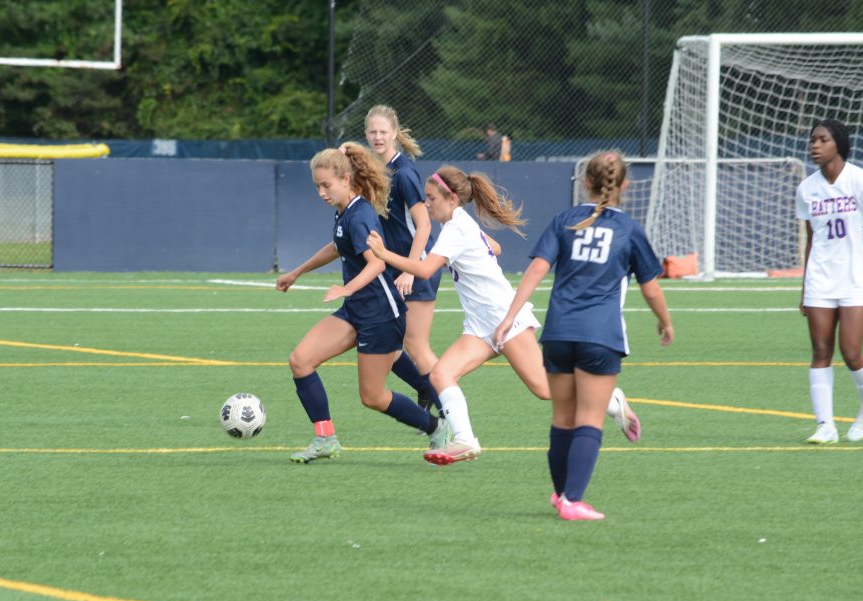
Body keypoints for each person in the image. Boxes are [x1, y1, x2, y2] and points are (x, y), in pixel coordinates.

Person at [367, 165, 643, 467]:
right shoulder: (460, 226)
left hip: (502, 317)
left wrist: (384, 254)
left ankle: (610, 398)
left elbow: (423, 269)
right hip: (479, 324)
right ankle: (466, 440)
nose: (427, 204)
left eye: (432, 198)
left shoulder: (458, 228)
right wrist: (481, 246)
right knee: (440, 374)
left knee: (543, 388)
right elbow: (495, 247)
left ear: (452, 199)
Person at [496, 151, 672, 521]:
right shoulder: (629, 230)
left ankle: (561, 495)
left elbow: (535, 271)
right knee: (590, 419)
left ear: (586, 182)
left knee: (562, 418)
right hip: (600, 336)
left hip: (559, 333)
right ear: (625, 185)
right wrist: (664, 322)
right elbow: (651, 288)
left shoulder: (564, 220)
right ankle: (573, 501)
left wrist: (510, 317)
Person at [276, 143, 449, 463]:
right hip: (357, 310)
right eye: (317, 186)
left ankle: (436, 426)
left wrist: (346, 288)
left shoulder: (359, 214)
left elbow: (376, 264)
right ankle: (325, 438)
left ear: (346, 179)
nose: (321, 193)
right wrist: (297, 272)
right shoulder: (346, 211)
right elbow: (337, 246)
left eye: (326, 185)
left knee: (372, 397)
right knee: (300, 360)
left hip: (381, 314)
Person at [797, 119, 863, 444]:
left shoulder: (860, 181)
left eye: (822, 140)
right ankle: (825, 425)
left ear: (838, 143)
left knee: (851, 352)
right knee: (820, 350)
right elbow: (812, 241)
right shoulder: (807, 188)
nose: (815, 145)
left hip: (856, 280)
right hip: (820, 280)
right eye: (813, 140)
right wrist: (804, 288)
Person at [364, 105, 443, 412]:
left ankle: (451, 410)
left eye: (383, 132)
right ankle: (426, 388)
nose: (378, 137)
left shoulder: (404, 173)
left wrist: (411, 271)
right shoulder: (374, 169)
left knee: (416, 345)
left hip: (416, 265)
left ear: (394, 134)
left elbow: (423, 225)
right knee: (387, 336)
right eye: (372, 132)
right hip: (393, 267)